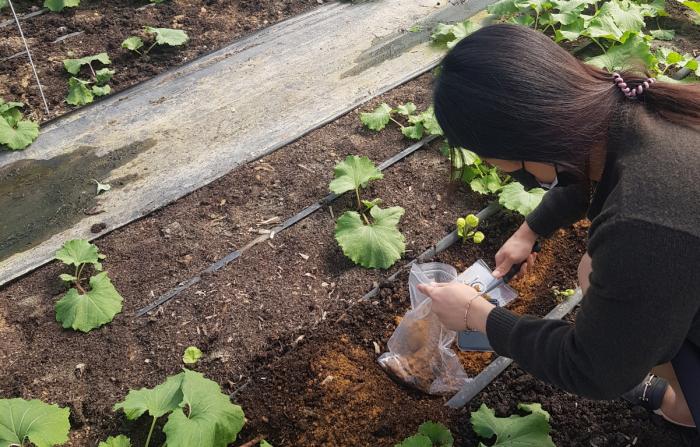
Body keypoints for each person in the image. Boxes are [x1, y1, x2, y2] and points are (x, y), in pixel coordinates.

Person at [417, 24, 700, 431]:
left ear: (528, 141)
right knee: (594, 270)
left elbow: (596, 370)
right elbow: (584, 176)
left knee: (599, 277)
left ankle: (687, 406)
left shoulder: (643, 225)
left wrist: (479, 316)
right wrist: (529, 230)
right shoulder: (643, 112)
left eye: (495, 159)